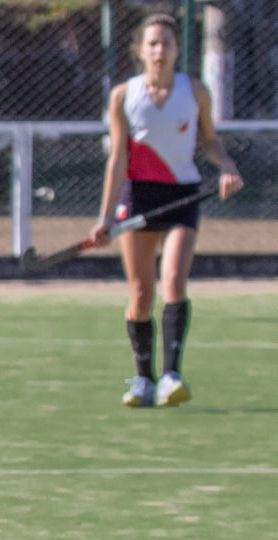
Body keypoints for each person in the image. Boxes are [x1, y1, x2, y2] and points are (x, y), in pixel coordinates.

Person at [91, 13, 242, 409]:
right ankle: (143, 379)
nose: (160, 50)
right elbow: (118, 158)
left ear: (177, 50)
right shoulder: (124, 95)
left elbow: (210, 141)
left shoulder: (195, 92)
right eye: (153, 43)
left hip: (183, 196)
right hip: (138, 196)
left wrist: (226, 166)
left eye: (168, 43)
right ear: (139, 50)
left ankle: (171, 375)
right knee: (141, 294)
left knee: (173, 278)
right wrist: (106, 217)